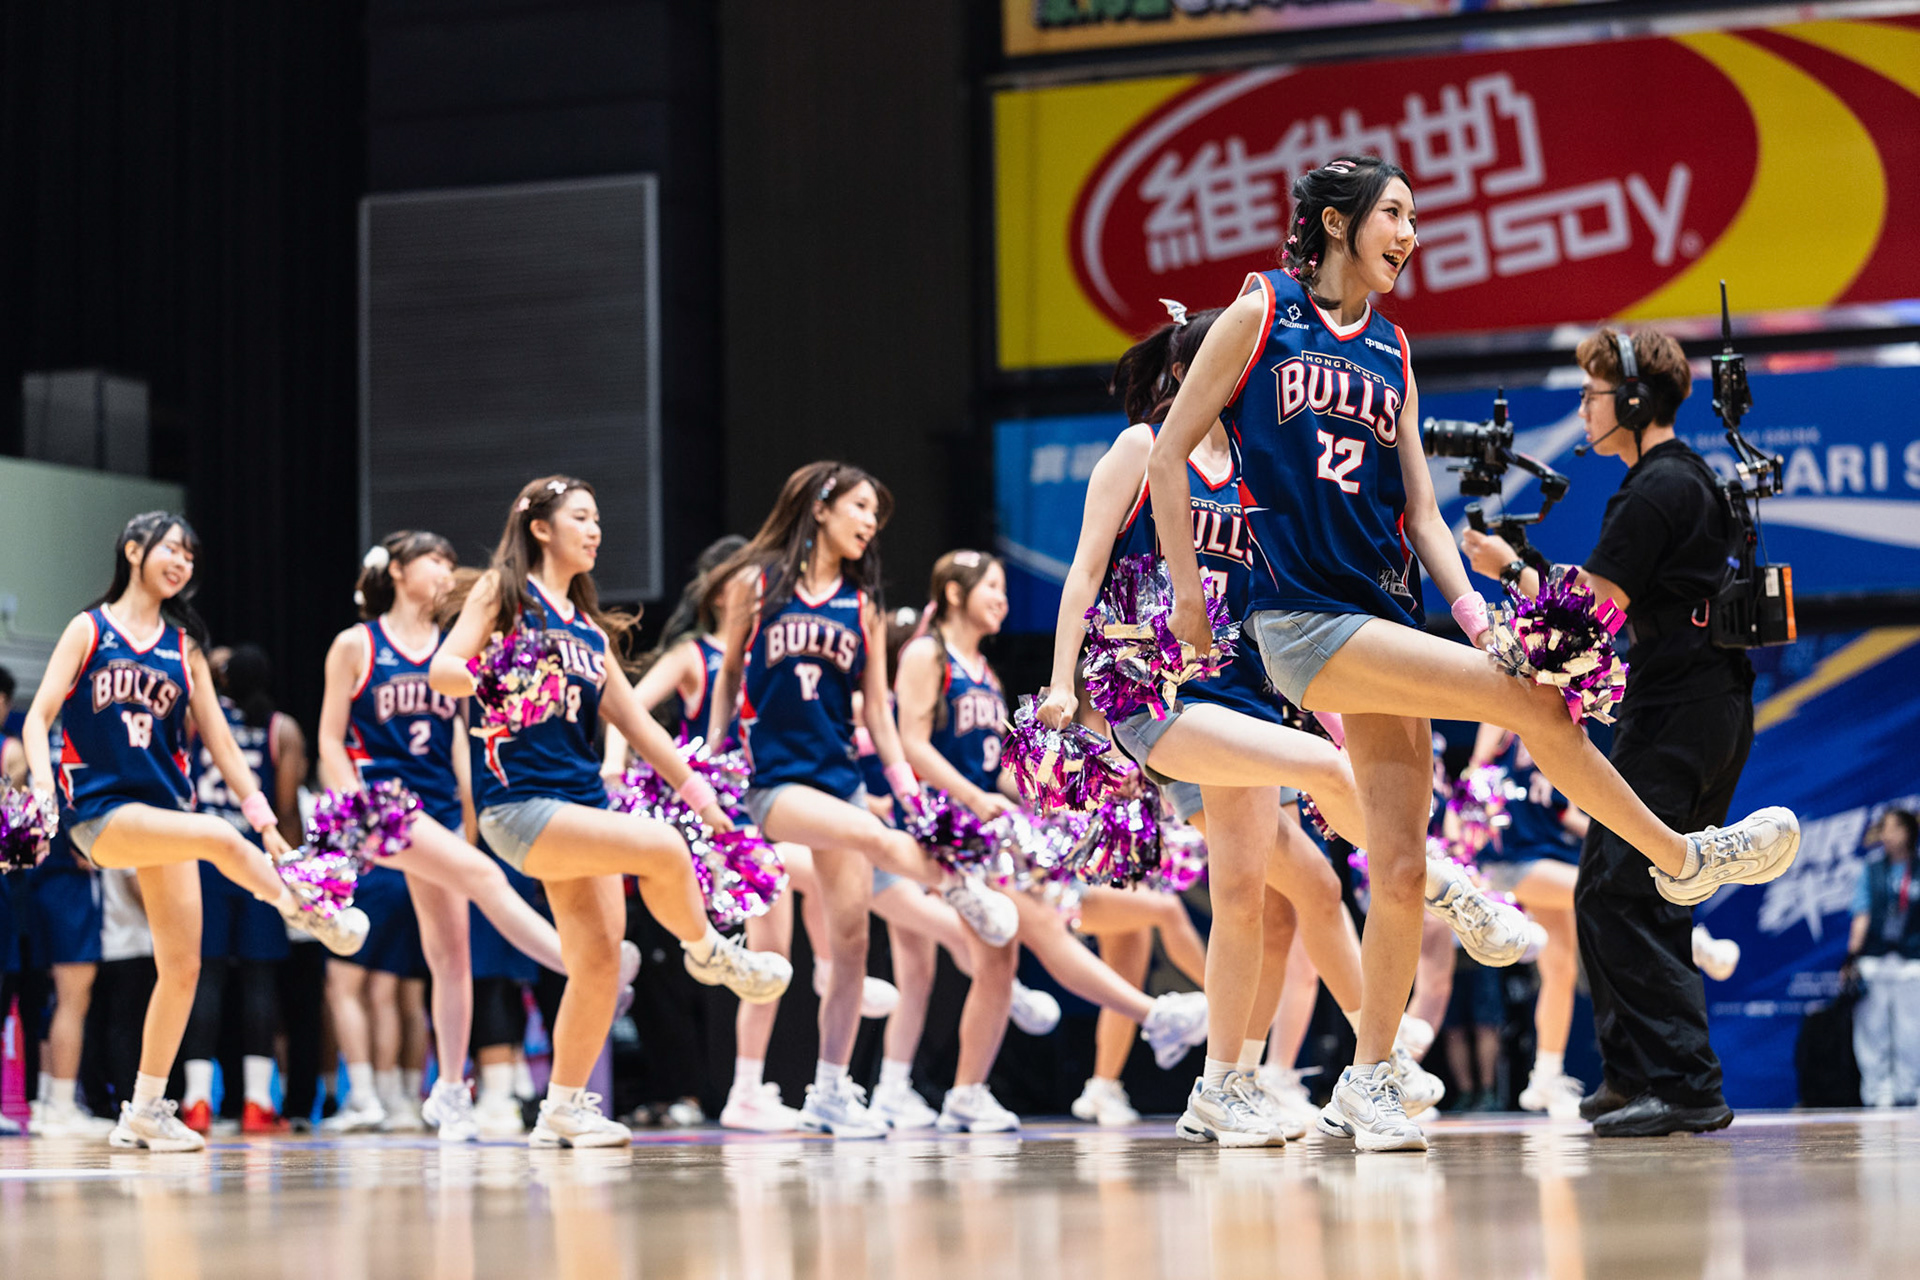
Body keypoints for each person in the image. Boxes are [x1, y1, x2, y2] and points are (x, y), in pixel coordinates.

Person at [1150, 156, 1798, 1151]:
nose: (1411, 232)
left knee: (1403, 866)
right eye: (1395, 214)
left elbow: (1421, 512)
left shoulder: (1396, 353)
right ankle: (1683, 859)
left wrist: (1474, 610)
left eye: (1415, 216)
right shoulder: (1260, 308)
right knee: (1539, 706)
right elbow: (1167, 450)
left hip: (1386, 617)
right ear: (1335, 222)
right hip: (1301, 621)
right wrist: (1192, 597)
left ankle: (1370, 1080)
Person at [1463, 325, 1767, 1137]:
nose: (1585, 408)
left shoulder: (1656, 488)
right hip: (1704, 707)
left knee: (1621, 891)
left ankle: (1686, 1085)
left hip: (1676, 713)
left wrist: (1506, 572)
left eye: (1594, 394)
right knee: (1634, 889)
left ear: (1633, 400)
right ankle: (1634, 1075)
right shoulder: (1682, 478)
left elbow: (1589, 614)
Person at [430, 477, 792, 1148]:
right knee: (661, 848)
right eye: (582, 518)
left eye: (599, 519)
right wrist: (485, 672)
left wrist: (701, 794)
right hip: (520, 805)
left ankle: (562, 1109)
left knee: (598, 961)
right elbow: (442, 668)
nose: (595, 530)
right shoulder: (504, 597)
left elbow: (637, 724)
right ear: (541, 528)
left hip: (581, 806)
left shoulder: (586, 630)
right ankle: (710, 950)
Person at [20, 511, 370, 1152]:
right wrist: (43, 790)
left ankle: (146, 1110)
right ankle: (309, 909)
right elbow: (38, 716)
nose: (181, 563)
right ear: (132, 551)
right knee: (216, 837)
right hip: (101, 813)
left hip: (167, 816)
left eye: (189, 556)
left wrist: (266, 825)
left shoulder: (185, 646)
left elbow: (224, 747)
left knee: (182, 968)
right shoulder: (89, 628)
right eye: (170, 550)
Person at [705, 462, 1017, 1139]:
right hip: (772, 781)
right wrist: (713, 758)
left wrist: (908, 793)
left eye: (876, 513)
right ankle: (959, 889)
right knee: (875, 841)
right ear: (820, 508)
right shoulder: (756, 585)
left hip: (839, 776)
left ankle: (827, 1093)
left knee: (850, 947)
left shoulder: (863, 604)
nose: (871, 523)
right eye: (860, 507)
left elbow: (878, 710)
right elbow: (729, 675)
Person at [323, 530, 645, 1141]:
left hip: (442, 807)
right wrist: (354, 806)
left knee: (451, 957)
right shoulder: (356, 644)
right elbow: (327, 739)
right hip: (380, 808)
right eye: (433, 559)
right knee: (485, 880)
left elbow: (461, 745)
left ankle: (448, 1091)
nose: (447, 569)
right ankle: (584, 965)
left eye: (451, 559)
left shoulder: (459, 644)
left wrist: (470, 818)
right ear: (397, 571)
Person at [177, 644, 302, 1134]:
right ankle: (256, 1102)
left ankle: (197, 1102)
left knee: (201, 979)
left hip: (205, 859)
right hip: (258, 861)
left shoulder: (196, 720)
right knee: (258, 981)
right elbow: (288, 809)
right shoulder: (282, 729)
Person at [1462, 725, 1590, 1118]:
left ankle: (1545, 1079)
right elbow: (1475, 774)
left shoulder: (1566, 730)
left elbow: (1567, 812)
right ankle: (1691, 940)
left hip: (1551, 858)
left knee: (1562, 969)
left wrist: (1633, 838)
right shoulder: (1505, 719)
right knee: (1605, 890)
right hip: (1510, 862)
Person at [1845, 810, 1920, 1107]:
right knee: (1871, 1029)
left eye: (1892, 828)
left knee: (1912, 1028)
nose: (1885, 835)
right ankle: (1877, 1092)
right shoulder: (1872, 868)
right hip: (1875, 958)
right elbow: (1861, 913)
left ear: (1907, 832)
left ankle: (1910, 1088)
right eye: (1883, 829)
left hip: (1912, 959)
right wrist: (1851, 956)